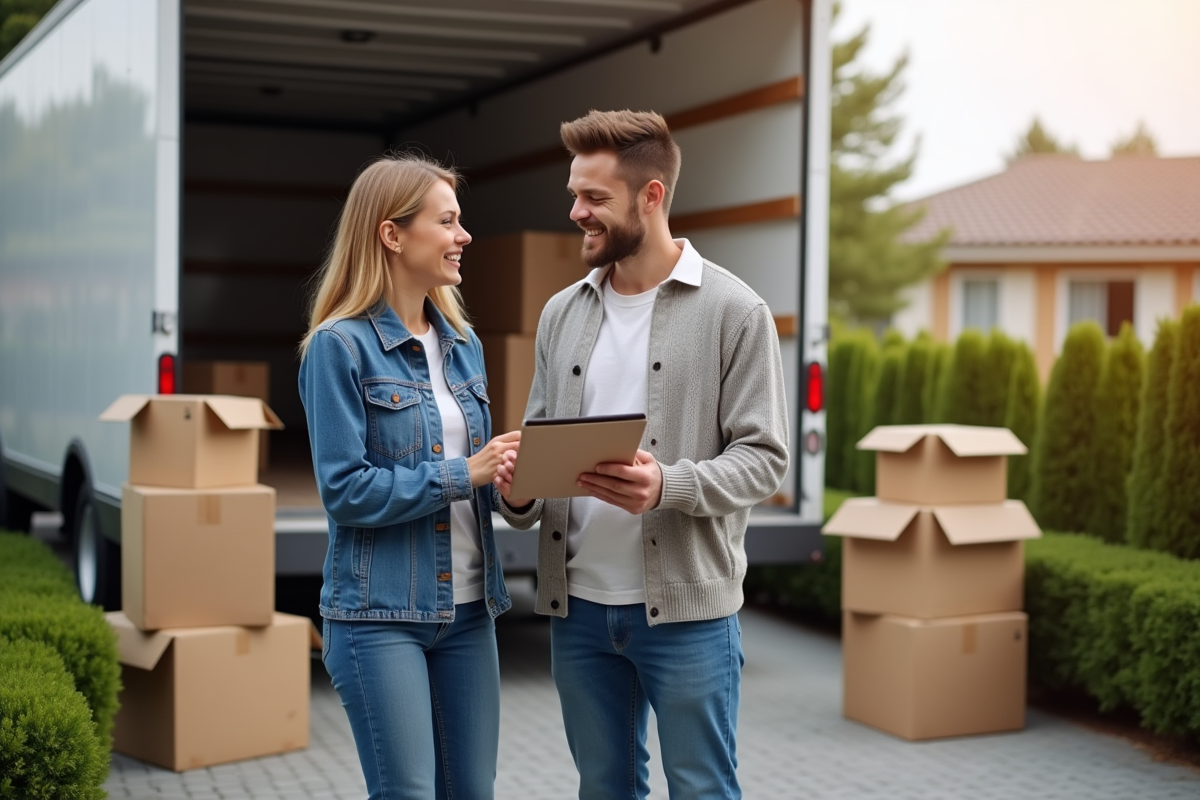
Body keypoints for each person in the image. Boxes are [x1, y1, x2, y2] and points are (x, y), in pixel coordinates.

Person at [494, 110, 790, 799]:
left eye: (594, 198)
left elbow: (766, 457)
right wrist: (516, 491)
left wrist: (669, 486)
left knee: (702, 789)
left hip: (689, 616)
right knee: (604, 788)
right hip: (580, 613)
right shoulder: (562, 312)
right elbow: (539, 446)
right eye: (575, 194)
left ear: (651, 197)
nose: (576, 212)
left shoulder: (734, 312)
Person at [298, 152, 521, 800]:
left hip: (472, 611)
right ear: (392, 234)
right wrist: (463, 472)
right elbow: (344, 491)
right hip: (379, 617)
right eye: (447, 221)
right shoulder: (338, 348)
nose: (464, 236)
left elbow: (478, 474)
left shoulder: (463, 342)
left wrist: (509, 477)